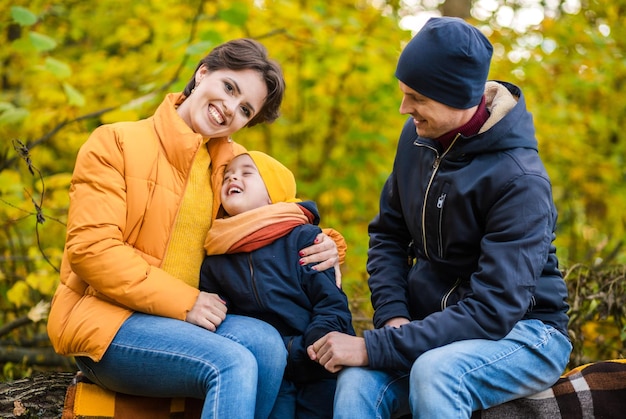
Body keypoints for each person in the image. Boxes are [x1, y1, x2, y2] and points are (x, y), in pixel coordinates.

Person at [46, 38, 344, 419]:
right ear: (202, 73)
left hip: (186, 324)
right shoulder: (116, 143)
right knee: (233, 362)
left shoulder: (227, 165)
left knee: (269, 346)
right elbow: (92, 251)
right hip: (109, 324)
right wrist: (185, 302)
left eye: (245, 109)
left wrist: (330, 243)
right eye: (229, 87)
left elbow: (281, 208)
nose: (229, 109)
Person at [307, 17, 572, 418]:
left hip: (527, 332)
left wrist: (376, 346)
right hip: (429, 325)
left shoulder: (520, 181)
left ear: (460, 97)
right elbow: (388, 236)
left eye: (416, 97)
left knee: (435, 372)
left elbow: (495, 309)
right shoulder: (416, 139)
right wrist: (394, 317)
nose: (404, 108)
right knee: (356, 381)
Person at [200, 151, 355, 419]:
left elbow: (331, 303)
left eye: (247, 172)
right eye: (227, 175)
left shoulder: (303, 239)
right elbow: (223, 318)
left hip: (319, 364)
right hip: (271, 371)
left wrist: (315, 344)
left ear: (273, 193)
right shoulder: (216, 256)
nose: (233, 176)